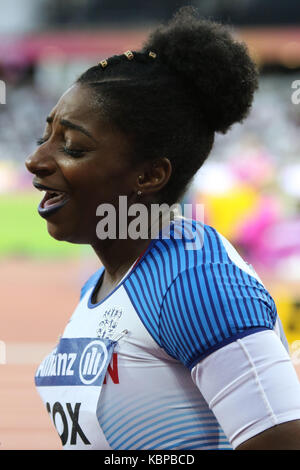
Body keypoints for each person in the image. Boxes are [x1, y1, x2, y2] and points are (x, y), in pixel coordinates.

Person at [25, 7, 300, 450]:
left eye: (73, 146)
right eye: (46, 137)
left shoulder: (195, 281)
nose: (36, 161)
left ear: (150, 176)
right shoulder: (103, 284)